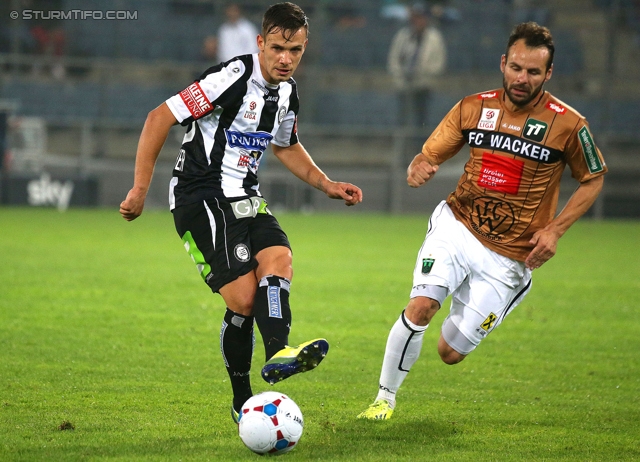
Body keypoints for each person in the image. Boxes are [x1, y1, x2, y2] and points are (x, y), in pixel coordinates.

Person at [120, 2, 363, 422]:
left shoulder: (287, 93)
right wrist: (140, 188)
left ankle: (278, 354)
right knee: (244, 299)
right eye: (277, 48)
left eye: (296, 50)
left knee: (279, 259)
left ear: (305, 48)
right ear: (260, 43)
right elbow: (159, 117)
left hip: (247, 196)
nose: (286, 59)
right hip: (201, 197)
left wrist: (327, 183)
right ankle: (242, 397)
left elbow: (285, 145)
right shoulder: (231, 78)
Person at [358, 22, 606, 420]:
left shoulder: (569, 124)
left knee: (450, 352)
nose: (522, 79)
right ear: (504, 63)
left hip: (509, 256)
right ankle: (383, 398)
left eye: (533, 72)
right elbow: (429, 156)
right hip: (458, 226)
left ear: (549, 74)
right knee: (421, 306)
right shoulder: (473, 107)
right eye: (517, 68)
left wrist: (556, 230)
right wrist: (420, 165)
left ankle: (507, 292)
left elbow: (593, 178)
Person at [387, 2, 447, 127]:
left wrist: (422, 72)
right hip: (404, 83)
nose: (417, 21)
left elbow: (439, 63)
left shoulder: (434, 37)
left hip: (424, 85)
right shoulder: (403, 35)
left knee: (421, 118)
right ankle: (403, 143)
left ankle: (419, 144)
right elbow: (393, 59)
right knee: (403, 118)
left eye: (420, 17)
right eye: (415, 17)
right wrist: (400, 74)